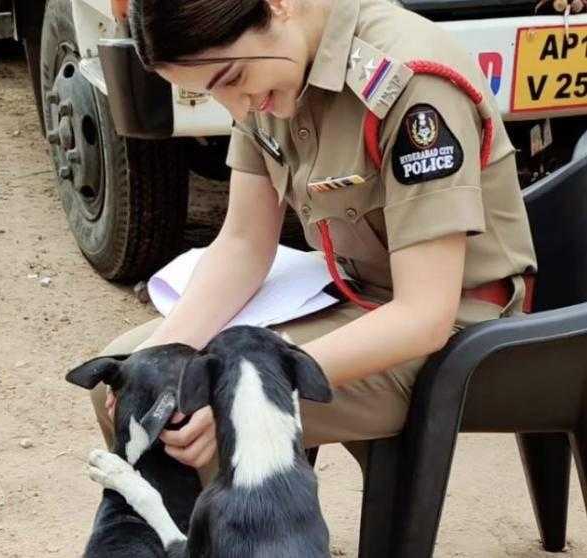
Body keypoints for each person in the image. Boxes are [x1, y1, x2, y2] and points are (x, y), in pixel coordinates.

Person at [89, 0, 538, 477]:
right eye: (209, 94)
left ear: (278, 6)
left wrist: (256, 388)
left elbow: (425, 315)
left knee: (197, 407)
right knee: (127, 385)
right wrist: (161, 355)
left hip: (456, 331)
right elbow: (244, 244)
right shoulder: (271, 70)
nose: (239, 107)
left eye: (231, 80)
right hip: (353, 296)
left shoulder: (409, 84)